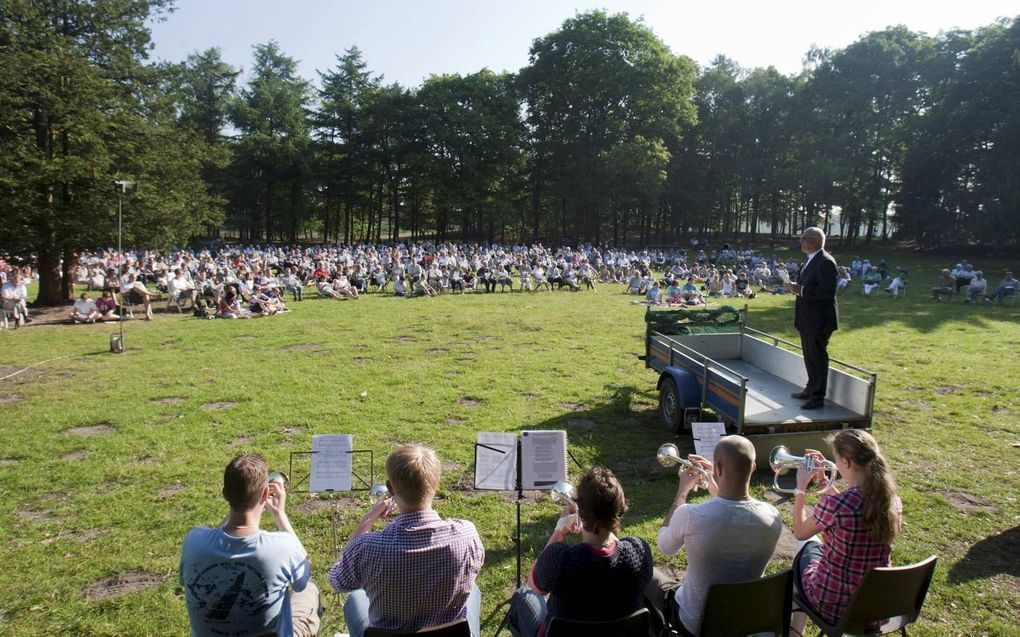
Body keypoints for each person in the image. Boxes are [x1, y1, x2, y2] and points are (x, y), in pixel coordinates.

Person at [328, 445, 484, 637]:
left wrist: (368, 519)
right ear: (437, 484)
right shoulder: (467, 536)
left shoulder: (366, 548)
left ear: (390, 488)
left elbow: (337, 581)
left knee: (354, 599)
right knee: (473, 590)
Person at [645, 436, 782, 636]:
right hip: (747, 621)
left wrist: (682, 492)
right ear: (753, 467)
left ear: (718, 467)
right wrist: (714, 480)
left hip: (696, 624)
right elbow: (732, 513)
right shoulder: (773, 516)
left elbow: (665, 546)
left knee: (646, 571)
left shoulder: (690, 514)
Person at [180, 454, 321, 637]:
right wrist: (280, 515)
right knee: (309, 590)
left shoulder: (193, 541)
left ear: (225, 494)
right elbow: (303, 576)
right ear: (265, 494)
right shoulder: (283, 546)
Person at [507, 467, 653, 637]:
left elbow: (535, 586)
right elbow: (613, 554)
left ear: (581, 512)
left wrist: (559, 530)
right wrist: (603, 518)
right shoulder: (638, 552)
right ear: (619, 509)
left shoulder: (560, 558)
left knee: (521, 595)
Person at [791, 430, 902, 629]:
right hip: (877, 608)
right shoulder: (892, 502)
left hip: (834, 606)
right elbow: (857, 506)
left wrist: (800, 488)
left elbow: (799, 531)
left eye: (836, 460)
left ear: (847, 462)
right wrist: (827, 484)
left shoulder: (836, 505)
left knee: (804, 545)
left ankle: (794, 632)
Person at [786, 227, 839, 410]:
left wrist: (800, 290)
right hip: (807, 318)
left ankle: (818, 396)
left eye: (803, 239)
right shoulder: (809, 260)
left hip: (819, 320)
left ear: (814, 241)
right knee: (809, 356)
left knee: (817, 357)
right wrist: (795, 287)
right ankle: (810, 388)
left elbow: (827, 292)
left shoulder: (825, 262)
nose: (801, 242)